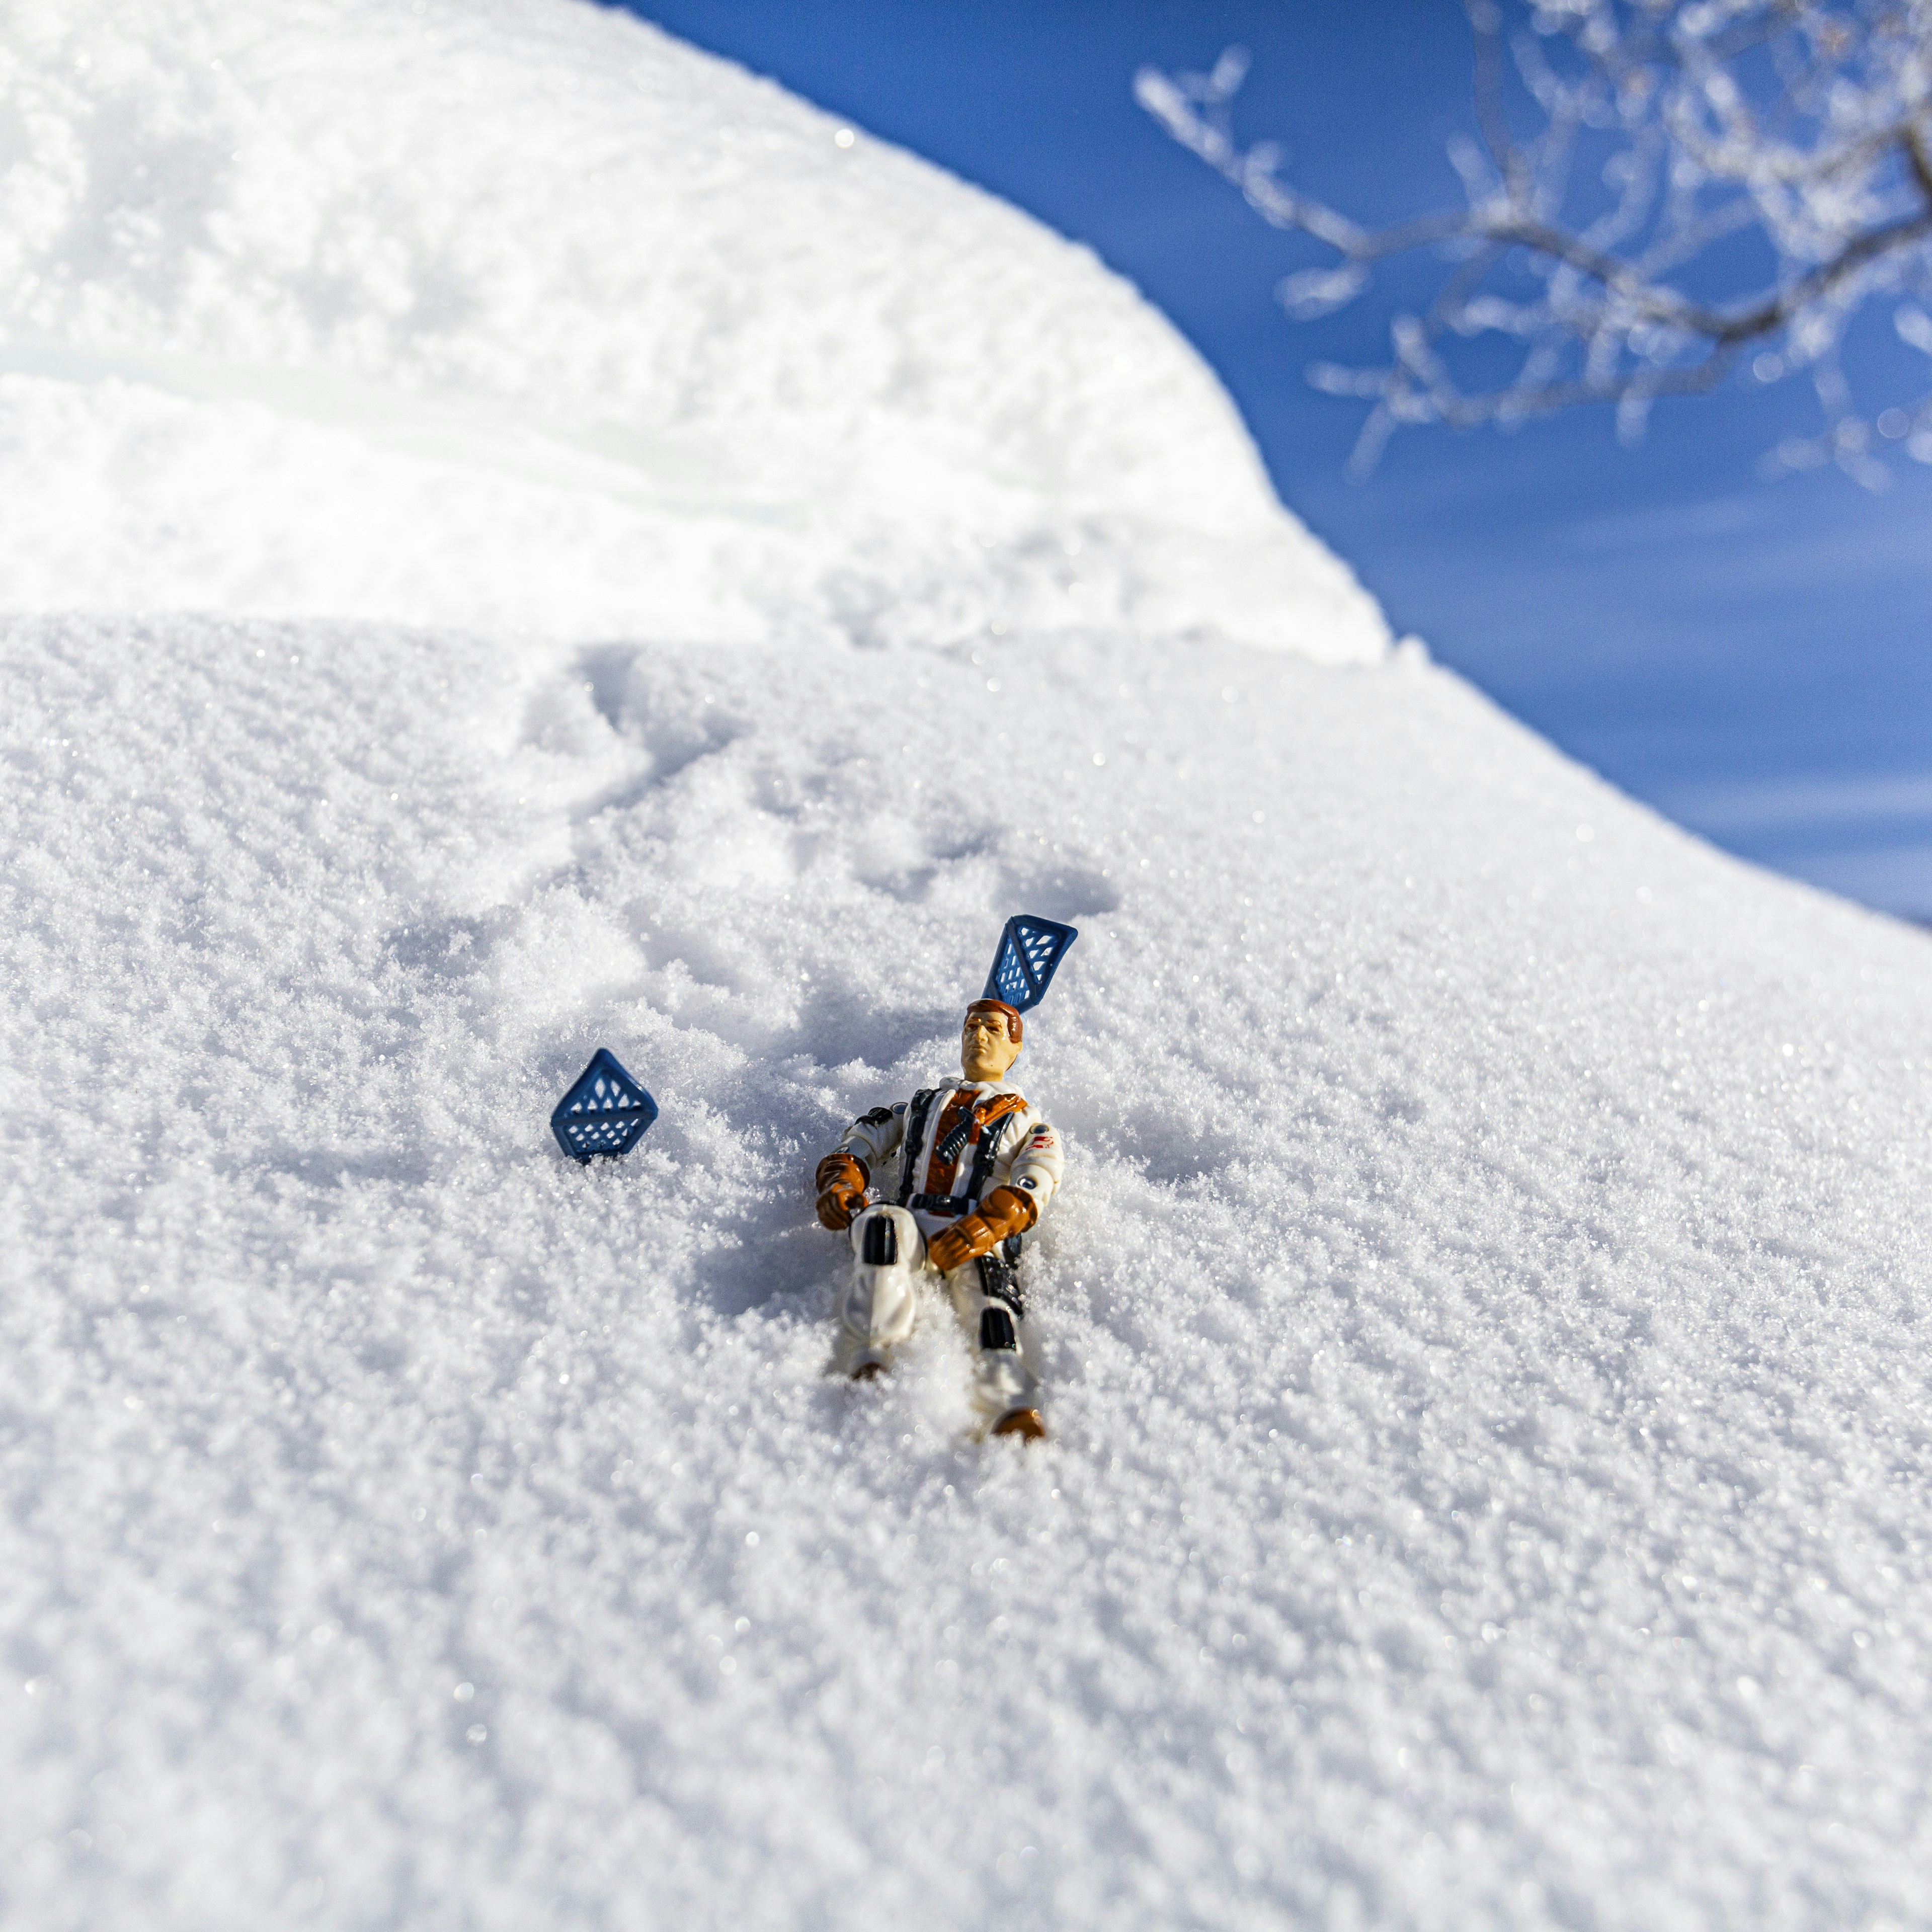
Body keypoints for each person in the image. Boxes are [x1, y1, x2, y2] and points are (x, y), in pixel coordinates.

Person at [813, 999, 1065, 1438]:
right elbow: (864, 1138)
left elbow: (1037, 1178)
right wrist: (841, 1182)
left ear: (1015, 1048)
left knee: (990, 1307)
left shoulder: (1025, 1120)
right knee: (882, 1230)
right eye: (970, 1027)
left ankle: (1009, 1401)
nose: (978, 1036)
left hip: (973, 1229)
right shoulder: (922, 1104)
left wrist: (989, 1224)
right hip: (914, 1217)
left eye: (991, 1029)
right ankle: (871, 1353)